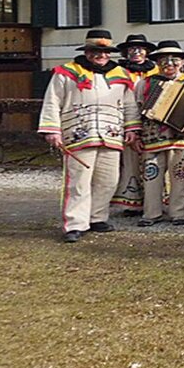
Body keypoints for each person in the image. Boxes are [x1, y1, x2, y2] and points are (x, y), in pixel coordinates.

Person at [38, 30, 139, 243]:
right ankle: (75, 224)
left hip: (111, 134)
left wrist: (131, 128)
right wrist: (52, 130)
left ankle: (97, 217)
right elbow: (52, 101)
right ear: (87, 52)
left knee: (108, 181)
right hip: (78, 134)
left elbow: (130, 105)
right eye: (95, 51)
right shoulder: (66, 72)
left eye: (104, 52)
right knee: (78, 182)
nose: (100, 55)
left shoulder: (121, 74)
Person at [132, 41, 184, 227]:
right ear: (157, 63)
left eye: (174, 60)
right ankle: (151, 213)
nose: (169, 64)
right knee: (152, 175)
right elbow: (134, 109)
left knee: (180, 175)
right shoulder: (144, 84)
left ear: (182, 63)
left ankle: (179, 212)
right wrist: (135, 133)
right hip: (151, 138)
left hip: (181, 139)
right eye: (164, 61)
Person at [111, 33, 159, 216]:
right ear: (125, 52)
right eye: (132, 49)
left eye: (140, 49)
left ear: (146, 52)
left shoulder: (156, 72)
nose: (136, 52)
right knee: (130, 163)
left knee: (152, 161)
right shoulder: (116, 72)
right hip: (126, 121)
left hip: (153, 122)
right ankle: (131, 202)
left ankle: (153, 200)